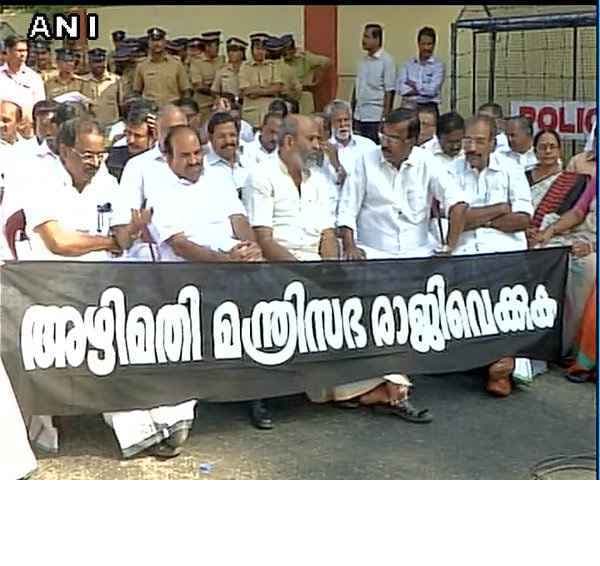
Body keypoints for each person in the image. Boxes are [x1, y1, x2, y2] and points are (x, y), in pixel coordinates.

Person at [451, 114, 535, 396]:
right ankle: (477, 357)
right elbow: (452, 220)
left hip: (504, 251)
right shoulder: (451, 170)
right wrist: (499, 209)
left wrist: (476, 218)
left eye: (479, 141)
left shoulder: (511, 169)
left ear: (493, 144)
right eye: (468, 140)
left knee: (508, 291)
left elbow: (523, 219)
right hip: (464, 251)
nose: (472, 148)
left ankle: (503, 364)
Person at [534, 174, 596, 359]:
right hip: (581, 236)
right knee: (542, 251)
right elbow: (578, 212)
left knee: (585, 267)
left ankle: (562, 346)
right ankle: (530, 336)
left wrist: (592, 247)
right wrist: (551, 230)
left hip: (593, 247)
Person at [525, 129, 588, 243]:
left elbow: (568, 212)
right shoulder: (523, 178)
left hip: (553, 236)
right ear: (535, 151)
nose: (548, 151)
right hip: (521, 232)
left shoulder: (573, 181)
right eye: (543, 147)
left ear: (559, 151)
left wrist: (545, 231)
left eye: (552, 147)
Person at [352, 24, 395, 144]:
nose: (363, 40)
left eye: (367, 37)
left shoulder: (387, 61)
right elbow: (357, 87)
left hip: (375, 117)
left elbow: (389, 91)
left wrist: (385, 119)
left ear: (377, 39)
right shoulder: (362, 61)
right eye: (363, 36)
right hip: (358, 115)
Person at [133, 27, 192, 108]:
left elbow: (186, 90)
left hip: (172, 107)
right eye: (153, 41)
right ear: (149, 43)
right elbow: (137, 91)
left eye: (159, 40)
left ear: (165, 42)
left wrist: (184, 107)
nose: (157, 44)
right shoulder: (141, 66)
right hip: (150, 109)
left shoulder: (176, 64)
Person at [239, 33, 284, 129]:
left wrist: (257, 90)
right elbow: (247, 91)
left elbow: (277, 88)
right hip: (251, 113)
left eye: (263, 49)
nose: (260, 52)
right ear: (252, 50)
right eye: (257, 48)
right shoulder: (244, 67)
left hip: (270, 111)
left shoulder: (273, 65)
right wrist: (268, 90)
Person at [396, 26, 445, 113]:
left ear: (434, 45)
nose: (426, 48)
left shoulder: (439, 66)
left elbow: (432, 90)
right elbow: (401, 89)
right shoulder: (407, 64)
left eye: (429, 44)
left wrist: (414, 85)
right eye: (423, 44)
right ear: (418, 44)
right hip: (408, 108)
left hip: (429, 108)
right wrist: (423, 88)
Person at [280, 34, 331, 114]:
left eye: (289, 50)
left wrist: (317, 77)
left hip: (299, 92)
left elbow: (327, 61)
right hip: (283, 93)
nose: (286, 53)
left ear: (294, 50)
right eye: (284, 51)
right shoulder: (278, 61)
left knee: (306, 97)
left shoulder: (303, 58)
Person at [204, 111, 250, 198]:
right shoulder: (204, 169)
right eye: (221, 136)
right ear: (210, 138)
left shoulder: (250, 161)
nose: (228, 141)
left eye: (232, 135)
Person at [325, 98, 376, 176]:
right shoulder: (326, 148)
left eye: (346, 120)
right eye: (338, 121)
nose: (343, 124)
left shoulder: (368, 145)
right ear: (330, 123)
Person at [0, 35, 45, 121]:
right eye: (19, 51)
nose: (23, 54)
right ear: (8, 51)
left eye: (25, 51)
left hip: (26, 124)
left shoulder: (34, 78)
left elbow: (40, 108)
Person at [106, 105, 156, 181]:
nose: (131, 140)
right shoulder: (112, 159)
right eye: (128, 133)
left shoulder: (164, 163)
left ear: (153, 137)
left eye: (138, 136)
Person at [80, 48, 121, 130]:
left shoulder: (116, 80)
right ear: (90, 63)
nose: (99, 65)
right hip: (90, 126)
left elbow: (121, 104)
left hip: (112, 125)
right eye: (95, 62)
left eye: (101, 61)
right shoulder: (82, 81)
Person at [188, 31, 225, 122]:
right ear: (207, 47)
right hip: (203, 107)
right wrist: (215, 93)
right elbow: (198, 86)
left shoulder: (222, 60)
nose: (217, 49)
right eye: (215, 46)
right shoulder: (196, 62)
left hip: (220, 106)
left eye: (218, 46)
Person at [211, 37, 247, 102]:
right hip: (228, 104)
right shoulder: (222, 70)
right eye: (229, 51)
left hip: (247, 103)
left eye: (234, 51)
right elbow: (214, 91)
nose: (231, 53)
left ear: (242, 52)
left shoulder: (249, 68)